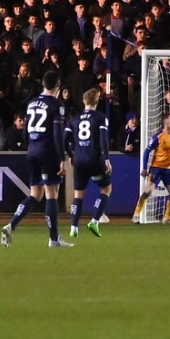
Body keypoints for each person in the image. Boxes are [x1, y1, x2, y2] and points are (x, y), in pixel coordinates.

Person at [3, 73, 71, 248]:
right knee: (51, 194)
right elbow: (57, 133)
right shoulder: (57, 105)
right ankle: (54, 239)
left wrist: (30, 147)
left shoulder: (32, 103)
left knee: (35, 194)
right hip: (48, 152)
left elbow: (25, 131)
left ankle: (11, 226)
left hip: (32, 151)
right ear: (58, 85)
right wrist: (62, 158)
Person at [65, 86, 117, 239]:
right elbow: (103, 140)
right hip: (94, 159)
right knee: (106, 189)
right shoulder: (100, 118)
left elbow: (65, 140)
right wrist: (107, 159)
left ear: (83, 101)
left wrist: (70, 155)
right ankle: (94, 220)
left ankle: (73, 227)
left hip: (79, 159)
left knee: (78, 194)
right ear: (97, 101)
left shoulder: (74, 119)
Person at [137, 113, 170, 224]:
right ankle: (136, 214)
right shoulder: (158, 136)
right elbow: (147, 151)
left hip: (169, 169)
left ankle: (166, 217)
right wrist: (144, 167)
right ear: (165, 122)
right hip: (156, 168)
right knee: (148, 192)